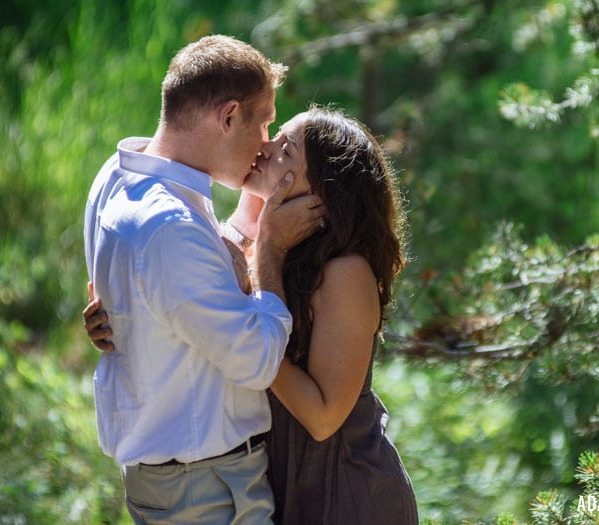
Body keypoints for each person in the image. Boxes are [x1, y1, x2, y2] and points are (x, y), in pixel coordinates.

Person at [86, 106, 419, 524]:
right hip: (273, 480)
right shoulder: (265, 245)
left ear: (323, 191)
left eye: (286, 150)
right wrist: (117, 318)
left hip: (346, 493)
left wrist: (250, 338)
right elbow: (192, 310)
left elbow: (322, 417)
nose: (266, 146)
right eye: (275, 135)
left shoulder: (345, 273)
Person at [83, 34, 324, 524]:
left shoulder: (117, 178)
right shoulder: (172, 226)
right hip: (206, 490)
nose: (266, 142)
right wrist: (272, 251)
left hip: (179, 482)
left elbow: (175, 284)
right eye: (263, 123)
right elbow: (257, 360)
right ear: (229, 116)